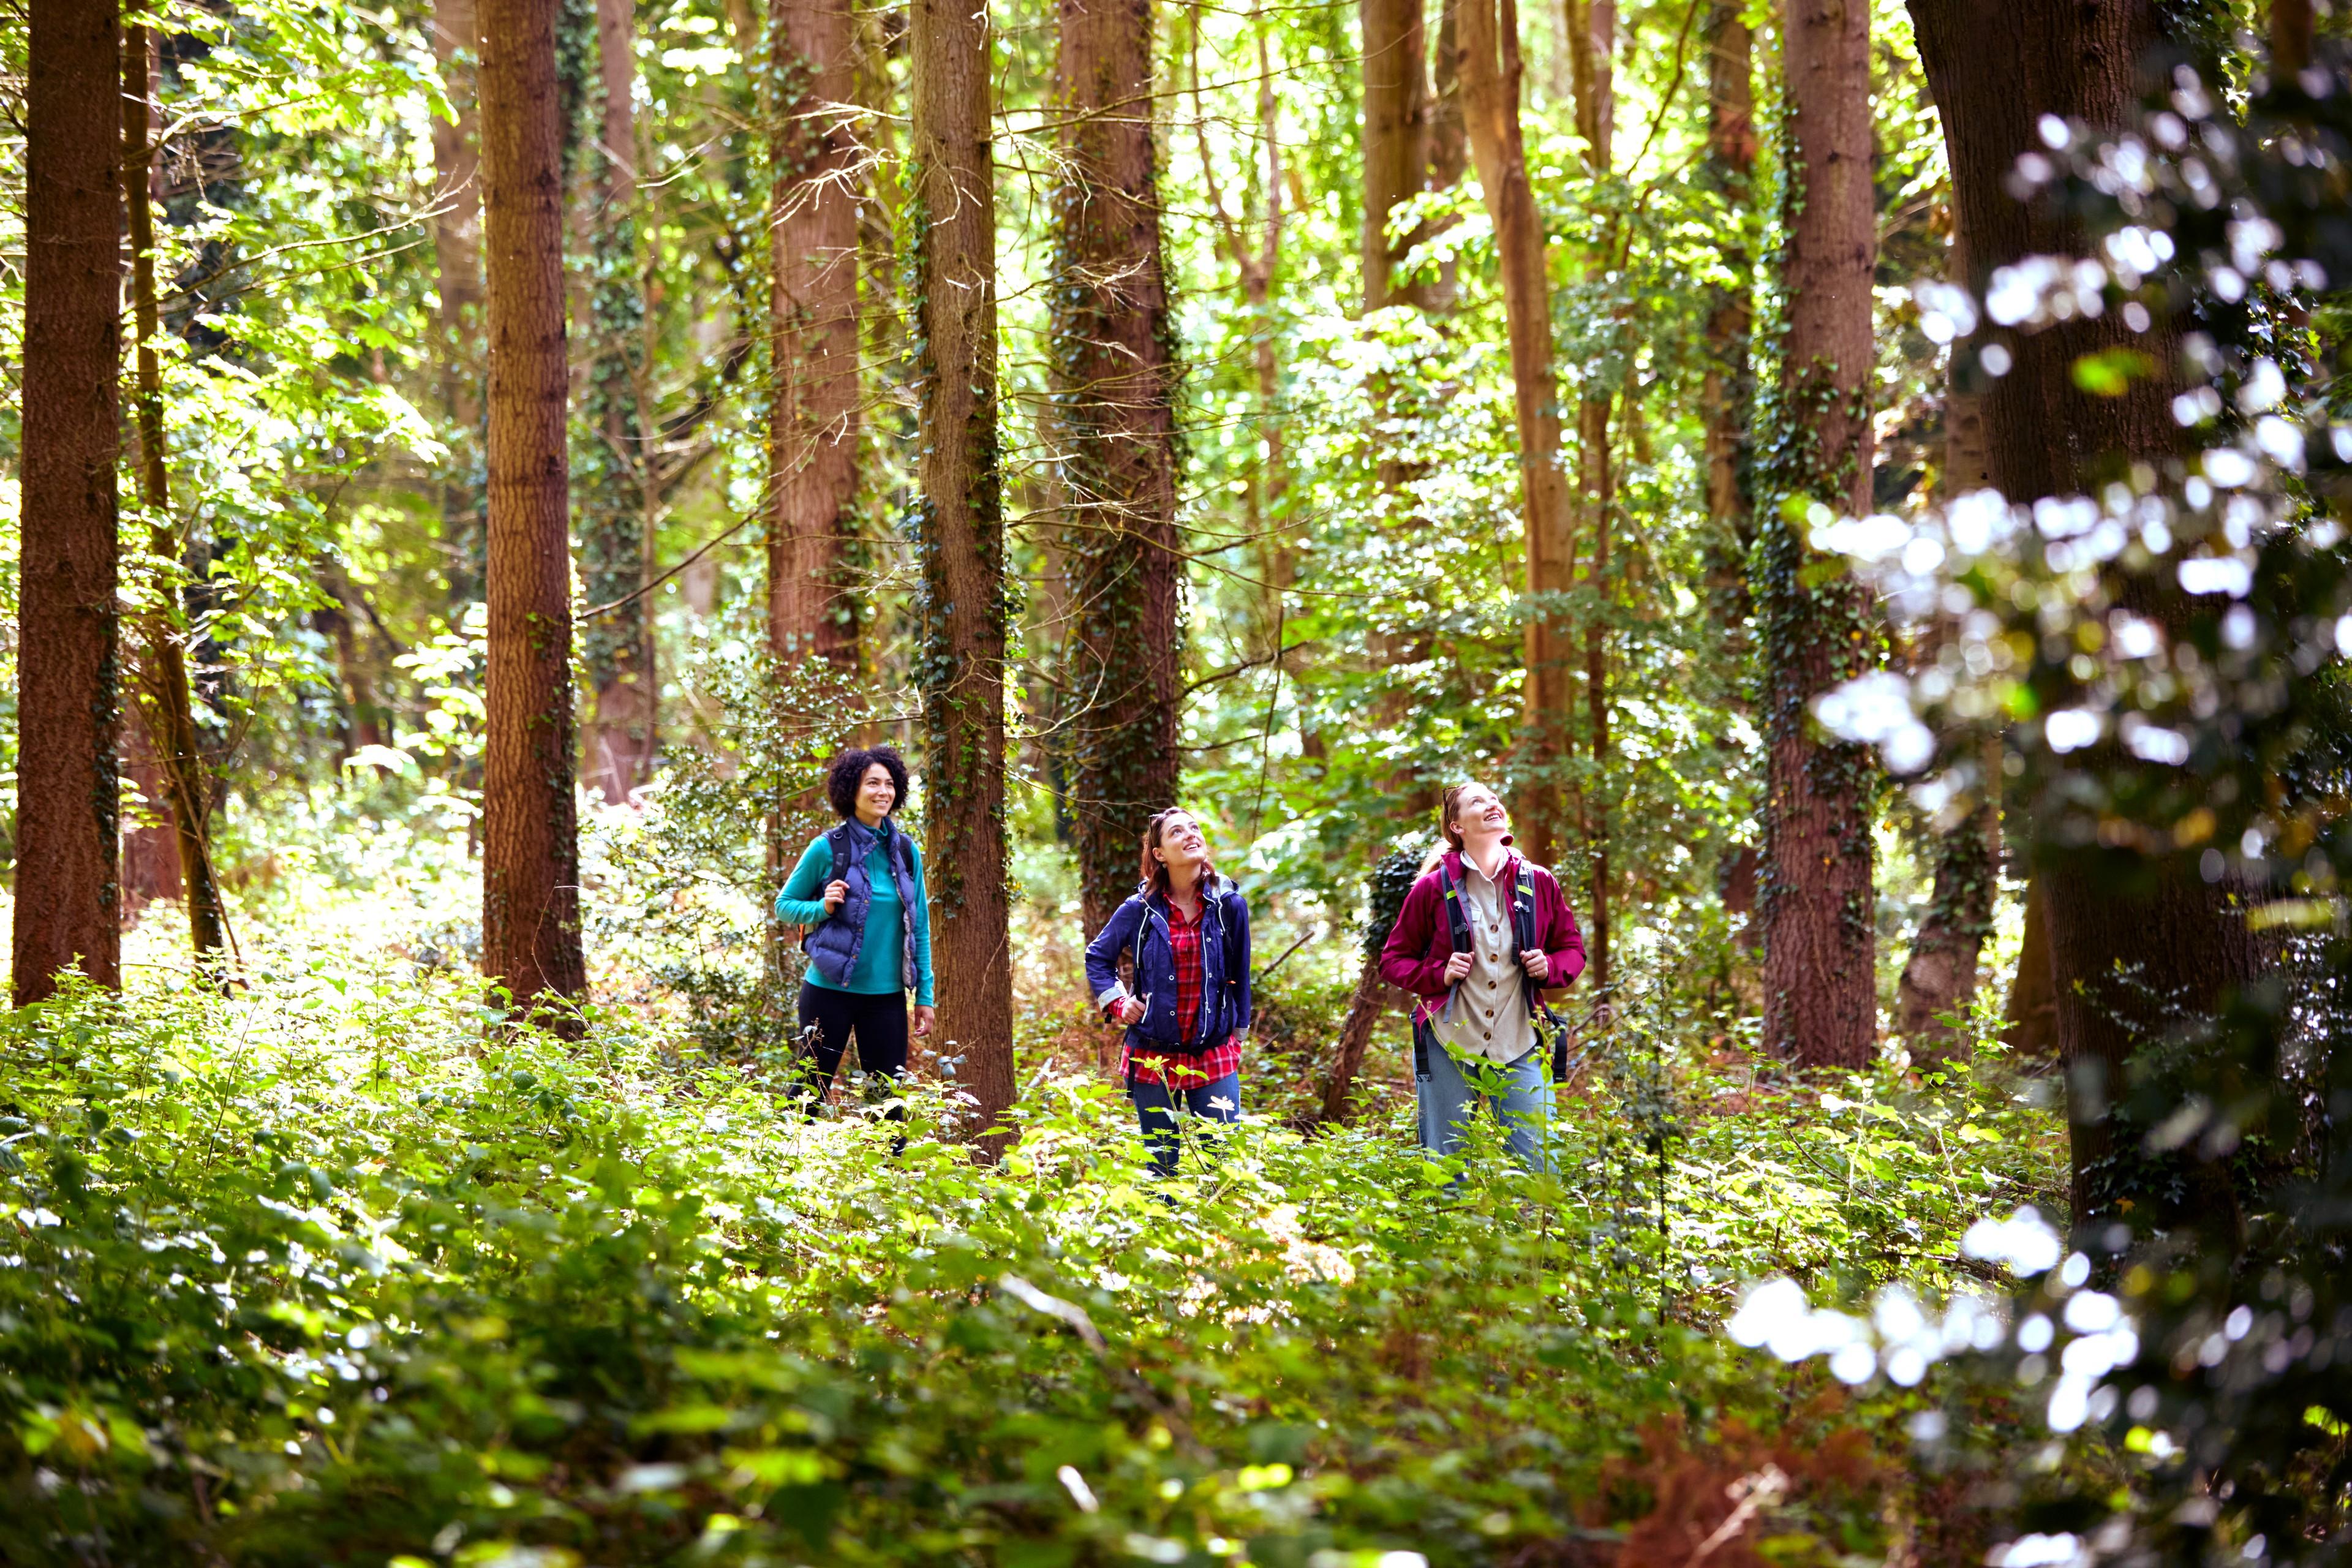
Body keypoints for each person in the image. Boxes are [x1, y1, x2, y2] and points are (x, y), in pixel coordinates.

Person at [1378, 782, 1585, 1172]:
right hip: (1448, 1042)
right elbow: (1393, 959)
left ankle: (1535, 1234)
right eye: (1478, 801)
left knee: (1540, 1169)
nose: (1492, 803)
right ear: (1457, 826)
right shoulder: (1431, 887)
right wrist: (1437, 974)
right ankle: (1445, 1229)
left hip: (1520, 1040)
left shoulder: (1539, 881)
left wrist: (1551, 967)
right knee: (1445, 1167)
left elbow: (1571, 949)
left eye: (1494, 798)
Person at [1082, 809, 1253, 1177]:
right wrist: (1117, 1001)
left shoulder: (1229, 906)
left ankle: (1221, 1233)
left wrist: (1238, 1037)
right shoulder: (1139, 909)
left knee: (1222, 1161)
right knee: (1162, 1163)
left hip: (1214, 1049)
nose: (1191, 835)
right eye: (1177, 832)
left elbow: (1241, 975)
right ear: (1159, 853)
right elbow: (1098, 957)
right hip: (1152, 1053)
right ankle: (1161, 1229)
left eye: (1194, 828)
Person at [773, 746, 935, 1114]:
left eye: (890, 784)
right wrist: (822, 906)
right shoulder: (828, 848)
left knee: (888, 1103)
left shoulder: (907, 853)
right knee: (808, 1094)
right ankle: (791, 1167)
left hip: (887, 997)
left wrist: (925, 995)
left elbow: (919, 927)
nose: (883, 792)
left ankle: (892, 1171)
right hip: (828, 991)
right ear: (852, 790)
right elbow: (784, 905)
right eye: (872, 783)